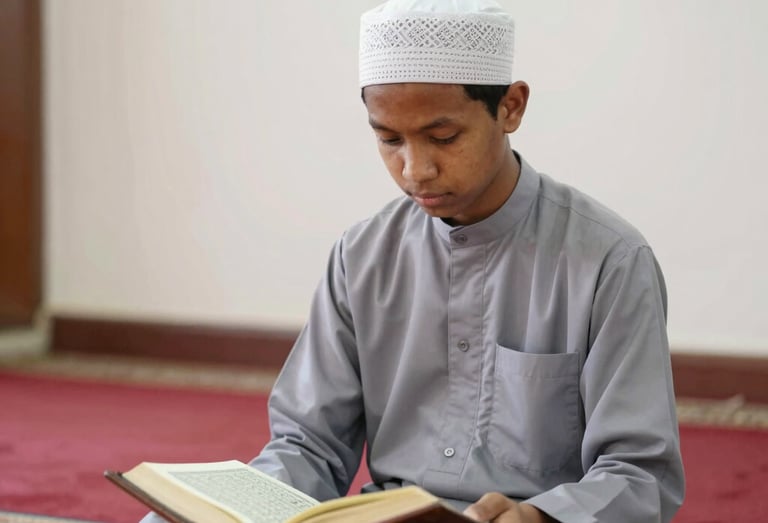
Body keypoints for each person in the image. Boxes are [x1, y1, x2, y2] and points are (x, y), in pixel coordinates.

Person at [142, 0, 684, 521]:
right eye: (388, 139)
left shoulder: (609, 260)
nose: (415, 169)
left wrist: (541, 516)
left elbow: (639, 473)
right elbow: (308, 445)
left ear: (511, 107)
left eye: (442, 137)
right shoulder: (363, 256)